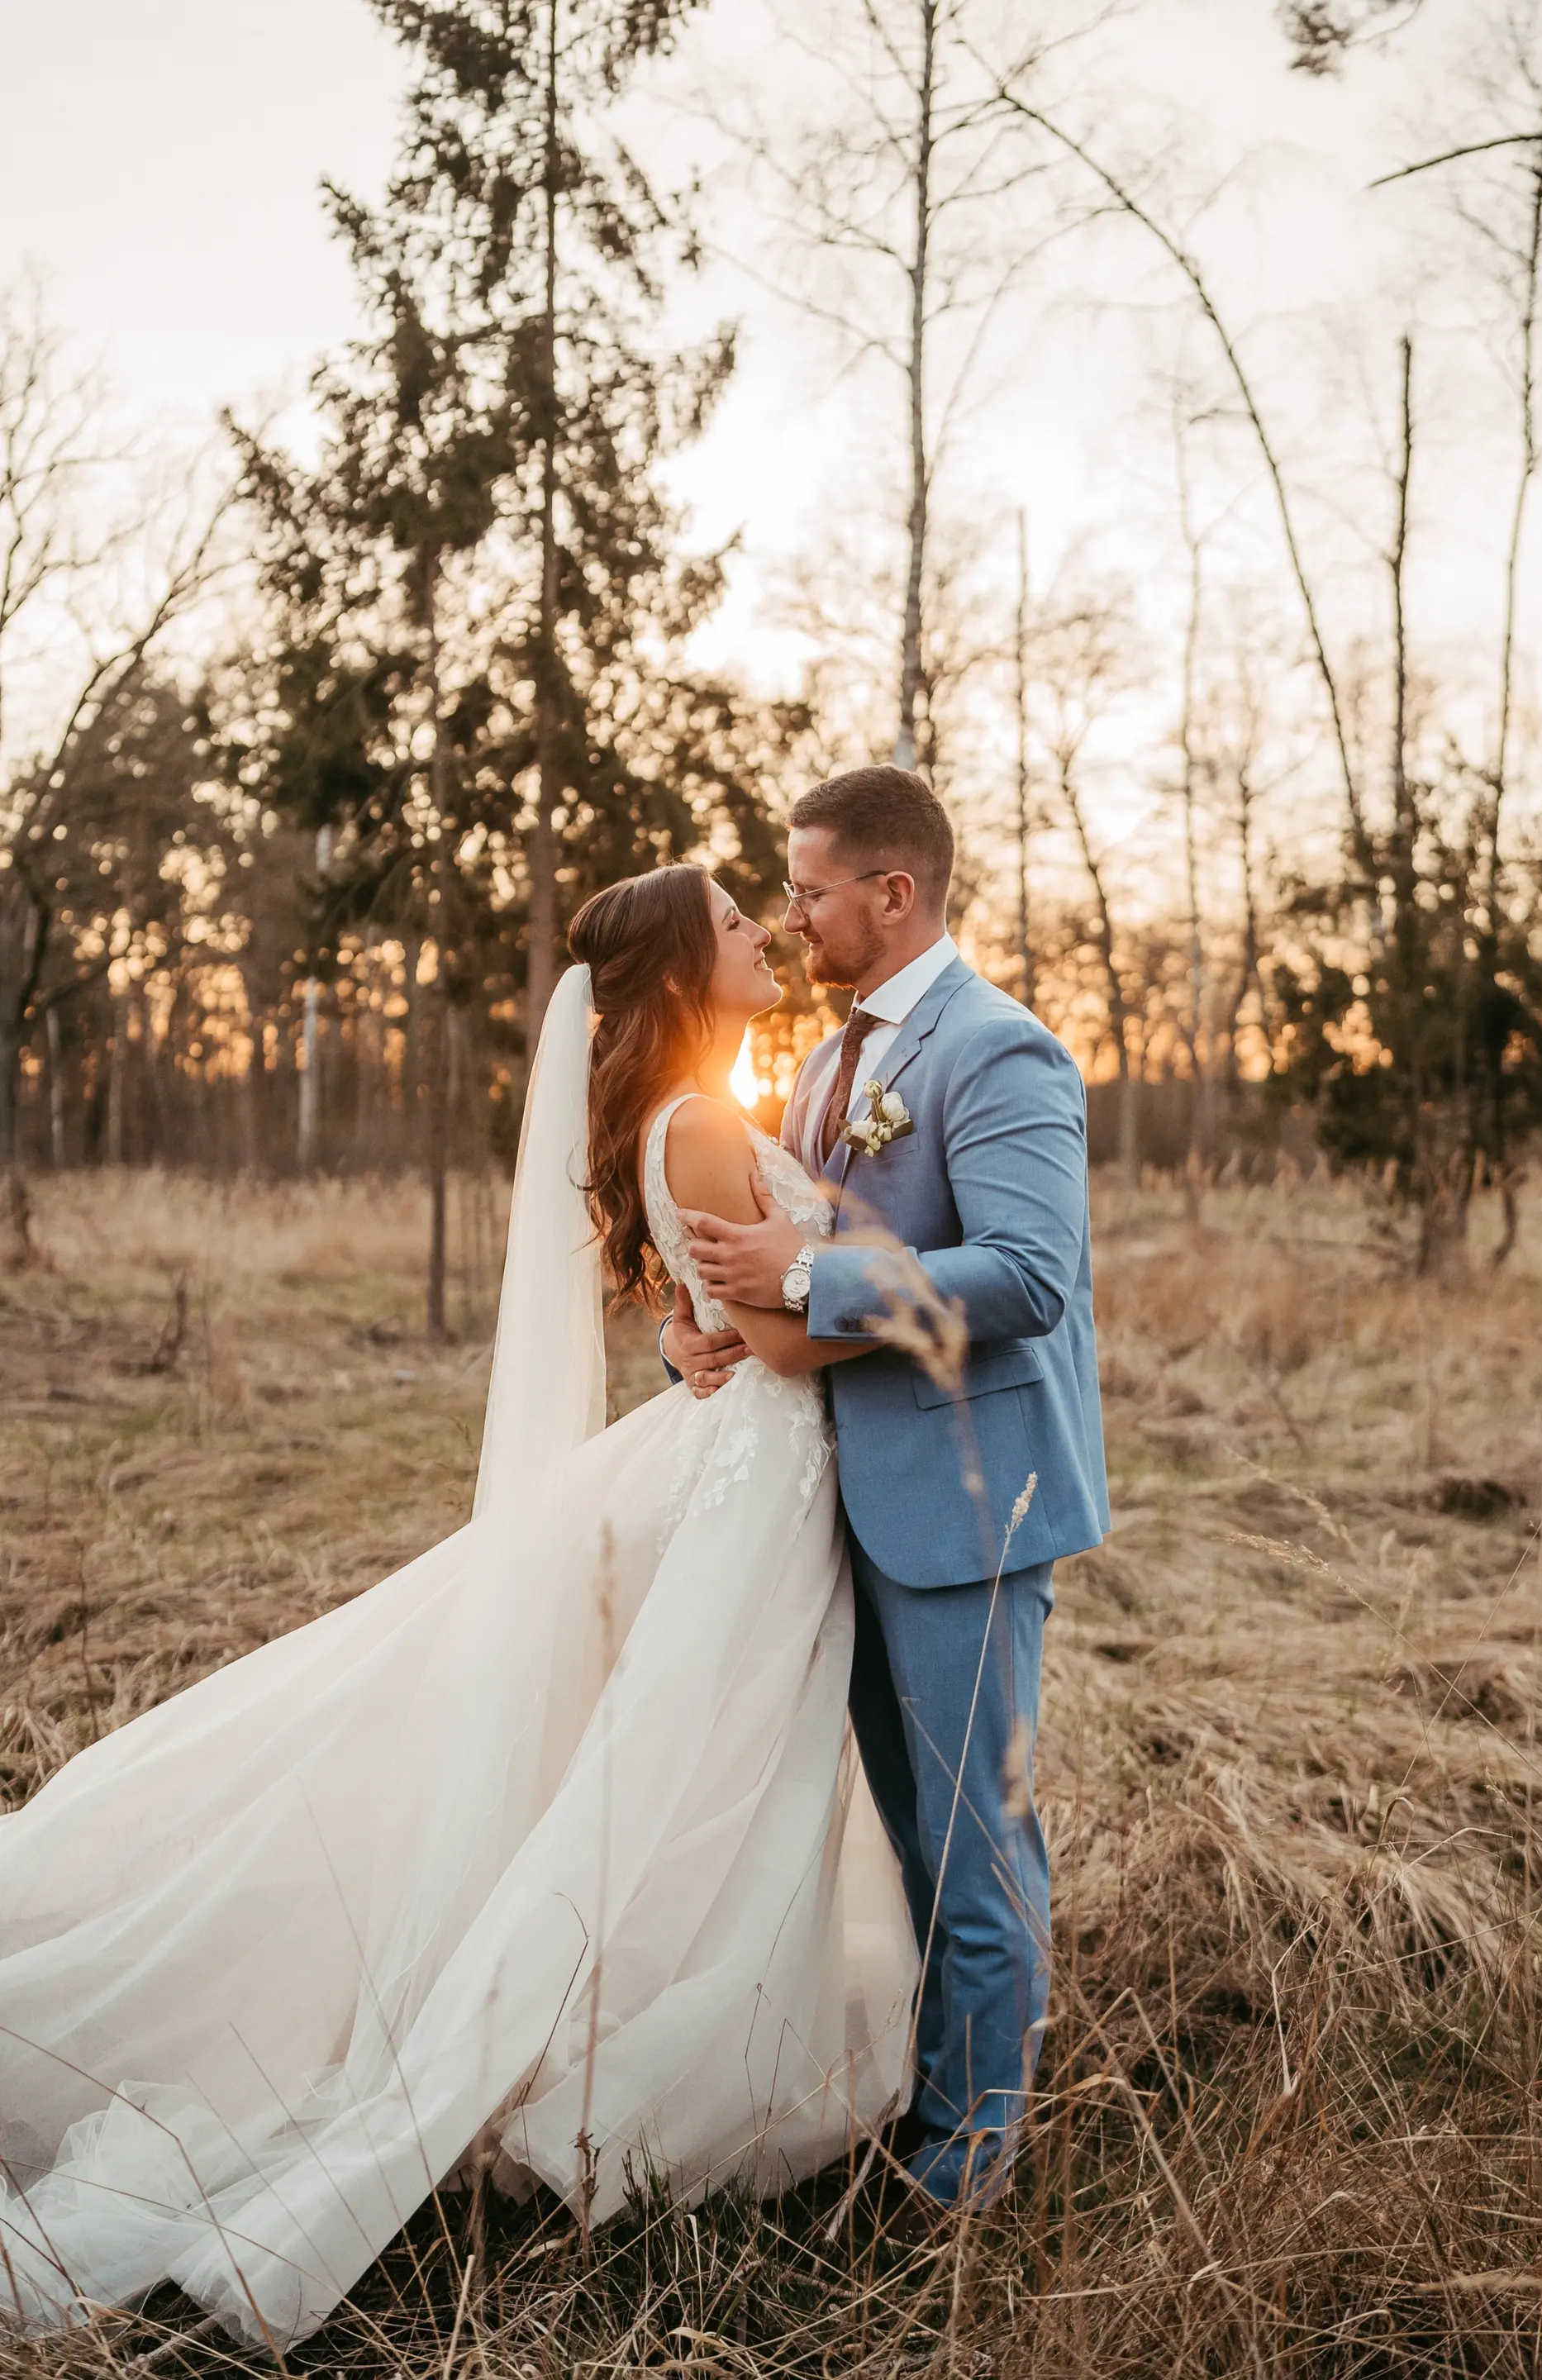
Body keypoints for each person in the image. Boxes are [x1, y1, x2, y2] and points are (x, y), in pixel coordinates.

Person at [0, 864, 917, 2350]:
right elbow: (780, 1346)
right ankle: (635, 2058)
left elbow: (711, 1324)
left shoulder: (694, 1106)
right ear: (687, 967)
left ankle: (707, 2024)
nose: (762, 935)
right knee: (701, 1763)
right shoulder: (692, 1119)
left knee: (725, 1767)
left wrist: (737, 1317)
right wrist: (896, 1292)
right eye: (738, 923)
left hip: (759, 1473)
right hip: (757, 1481)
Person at [663, 765, 1109, 2210]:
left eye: (807, 891)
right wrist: (705, 1337)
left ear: (893, 893)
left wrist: (807, 1273)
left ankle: (971, 2170)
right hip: (848, 1499)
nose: (790, 920)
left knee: (976, 1835)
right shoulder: (823, 1066)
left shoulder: (1003, 1052)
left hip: (970, 1507)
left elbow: (1031, 1276)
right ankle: (932, 2090)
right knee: (914, 1827)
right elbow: (778, 1272)